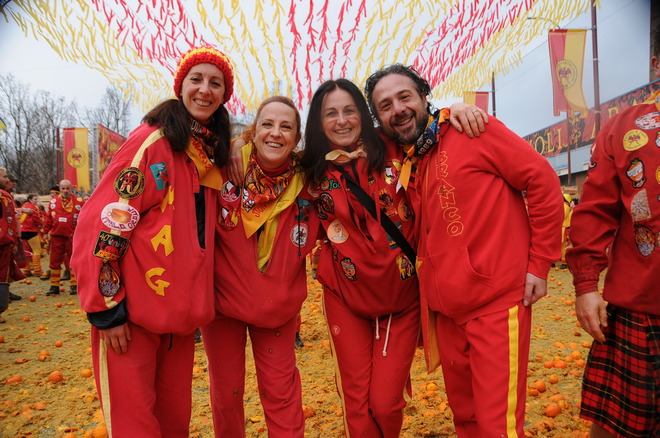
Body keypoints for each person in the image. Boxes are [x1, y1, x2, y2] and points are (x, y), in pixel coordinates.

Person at [365, 64, 564, 437]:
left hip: (495, 304)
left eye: (405, 97)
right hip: (446, 315)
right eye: (385, 105)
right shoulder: (407, 158)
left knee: (498, 427)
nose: (398, 109)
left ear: (425, 96)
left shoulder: (472, 130)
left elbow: (541, 179)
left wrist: (540, 264)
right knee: (467, 422)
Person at [298, 78, 486, 437]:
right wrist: (240, 147)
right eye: (331, 113)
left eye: (350, 110)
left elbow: (428, 127)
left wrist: (453, 112)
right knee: (356, 405)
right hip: (345, 296)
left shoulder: (395, 147)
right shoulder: (307, 171)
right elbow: (265, 165)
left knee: (385, 404)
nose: (342, 120)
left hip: (402, 298)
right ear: (319, 124)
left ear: (363, 113)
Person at [70, 45, 233, 437]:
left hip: (178, 320)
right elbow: (103, 220)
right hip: (132, 317)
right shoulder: (152, 142)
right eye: (196, 79)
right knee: (135, 426)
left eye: (216, 83)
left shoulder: (208, 152)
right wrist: (107, 309)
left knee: (174, 423)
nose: (205, 90)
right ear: (181, 86)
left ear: (224, 95)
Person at [201, 96, 320, 437]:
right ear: (253, 131)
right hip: (223, 308)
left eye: (286, 127)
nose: (275, 133)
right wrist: (234, 146)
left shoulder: (310, 181)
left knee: (281, 395)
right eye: (267, 124)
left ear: (297, 138)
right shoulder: (224, 167)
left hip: (277, 311)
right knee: (226, 394)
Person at [566, 34, 660, 438]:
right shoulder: (623, 126)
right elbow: (595, 211)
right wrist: (586, 286)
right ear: (656, 64)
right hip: (642, 304)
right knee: (619, 425)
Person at [42, 179, 84, 295]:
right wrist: (45, 232)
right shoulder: (53, 201)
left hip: (72, 236)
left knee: (73, 260)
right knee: (54, 260)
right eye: (63, 188)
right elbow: (49, 218)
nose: (65, 191)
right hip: (57, 235)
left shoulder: (79, 202)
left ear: (71, 188)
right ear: (59, 189)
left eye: (68, 188)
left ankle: (74, 285)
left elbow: (85, 219)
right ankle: (54, 286)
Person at [0, 167, 23, 318]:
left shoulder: (6, 196)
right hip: (3, 240)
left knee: (4, 273)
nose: (7, 180)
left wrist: (13, 240)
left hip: (6, 240)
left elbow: (9, 221)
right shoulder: (4, 196)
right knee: (2, 273)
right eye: (5, 177)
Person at [19, 194, 44, 277]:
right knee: (37, 250)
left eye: (37, 199)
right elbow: (36, 219)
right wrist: (41, 225)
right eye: (35, 199)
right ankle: (37, 270)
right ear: (30, 199)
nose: (36, 201)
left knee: (26, 251)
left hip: (21, 231)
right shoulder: (34, 208)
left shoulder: (24, 206)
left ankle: (26, 270)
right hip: (31, 230)